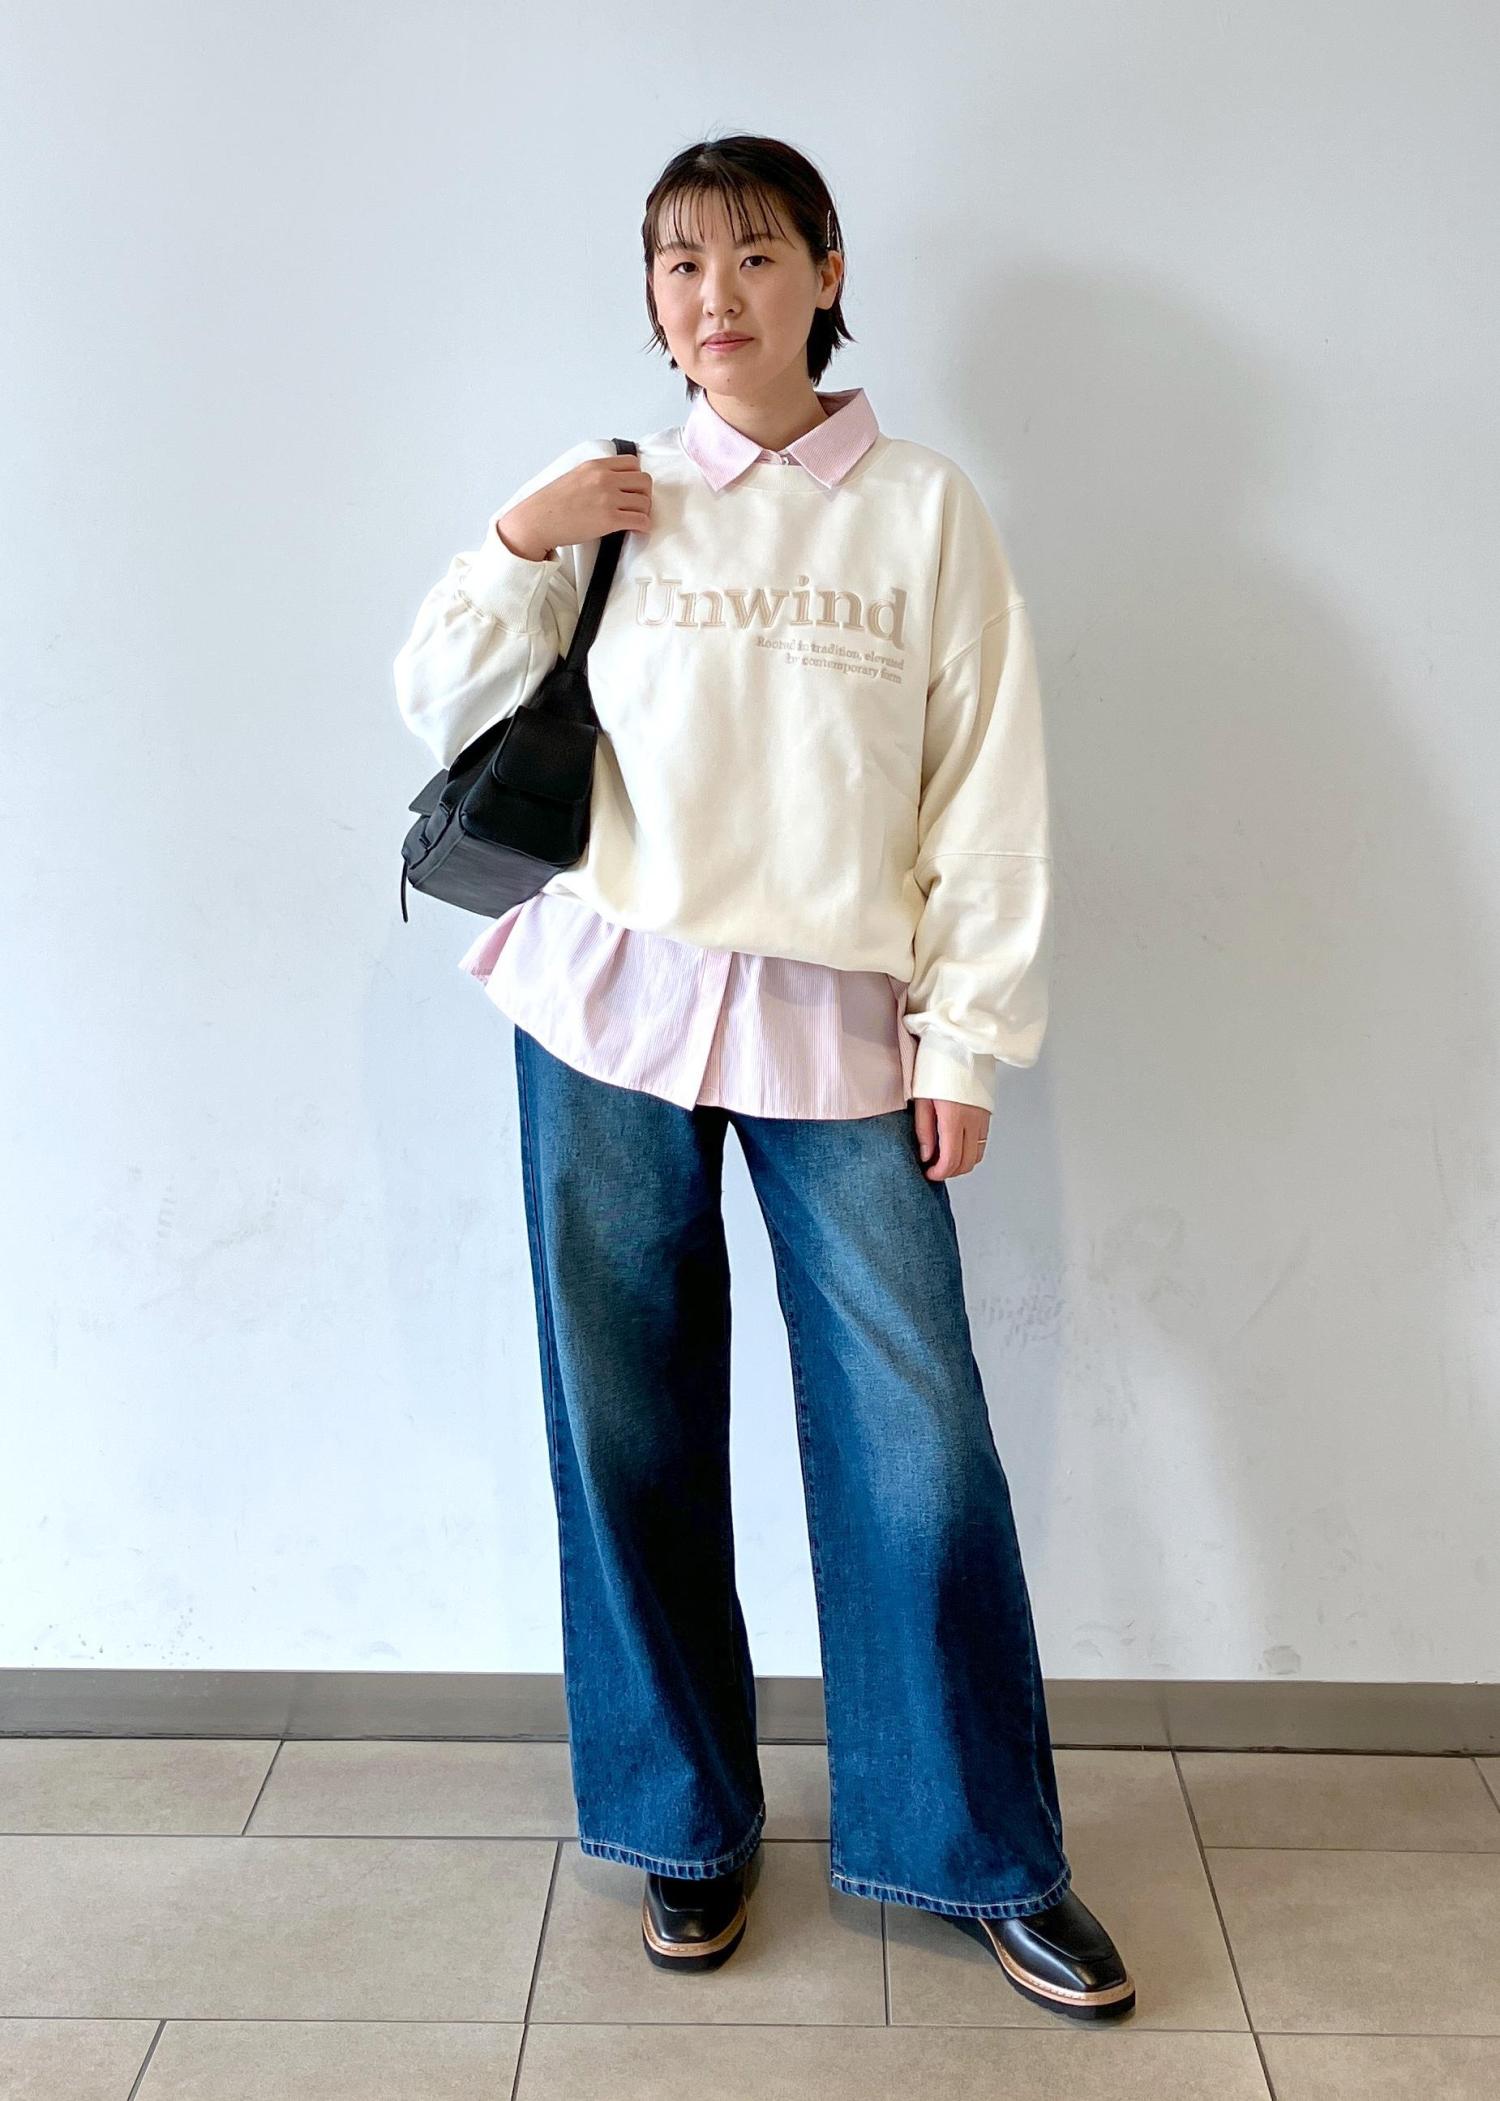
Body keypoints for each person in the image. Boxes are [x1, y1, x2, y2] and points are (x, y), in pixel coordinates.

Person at [394, 133, 1134, 2022]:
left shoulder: (925, 510)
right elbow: (438, 705)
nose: (710, 294)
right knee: (625, 1421)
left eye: (748, 254)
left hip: (842, 1020)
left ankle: (978, 1846)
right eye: (676, 263)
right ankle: (685, 1823)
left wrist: (965, 1035)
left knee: (915, 1438)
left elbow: (985, 791)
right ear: (651, 301)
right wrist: (520, 539)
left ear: (825, 272)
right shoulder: (613, 495)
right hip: (609, 1003)